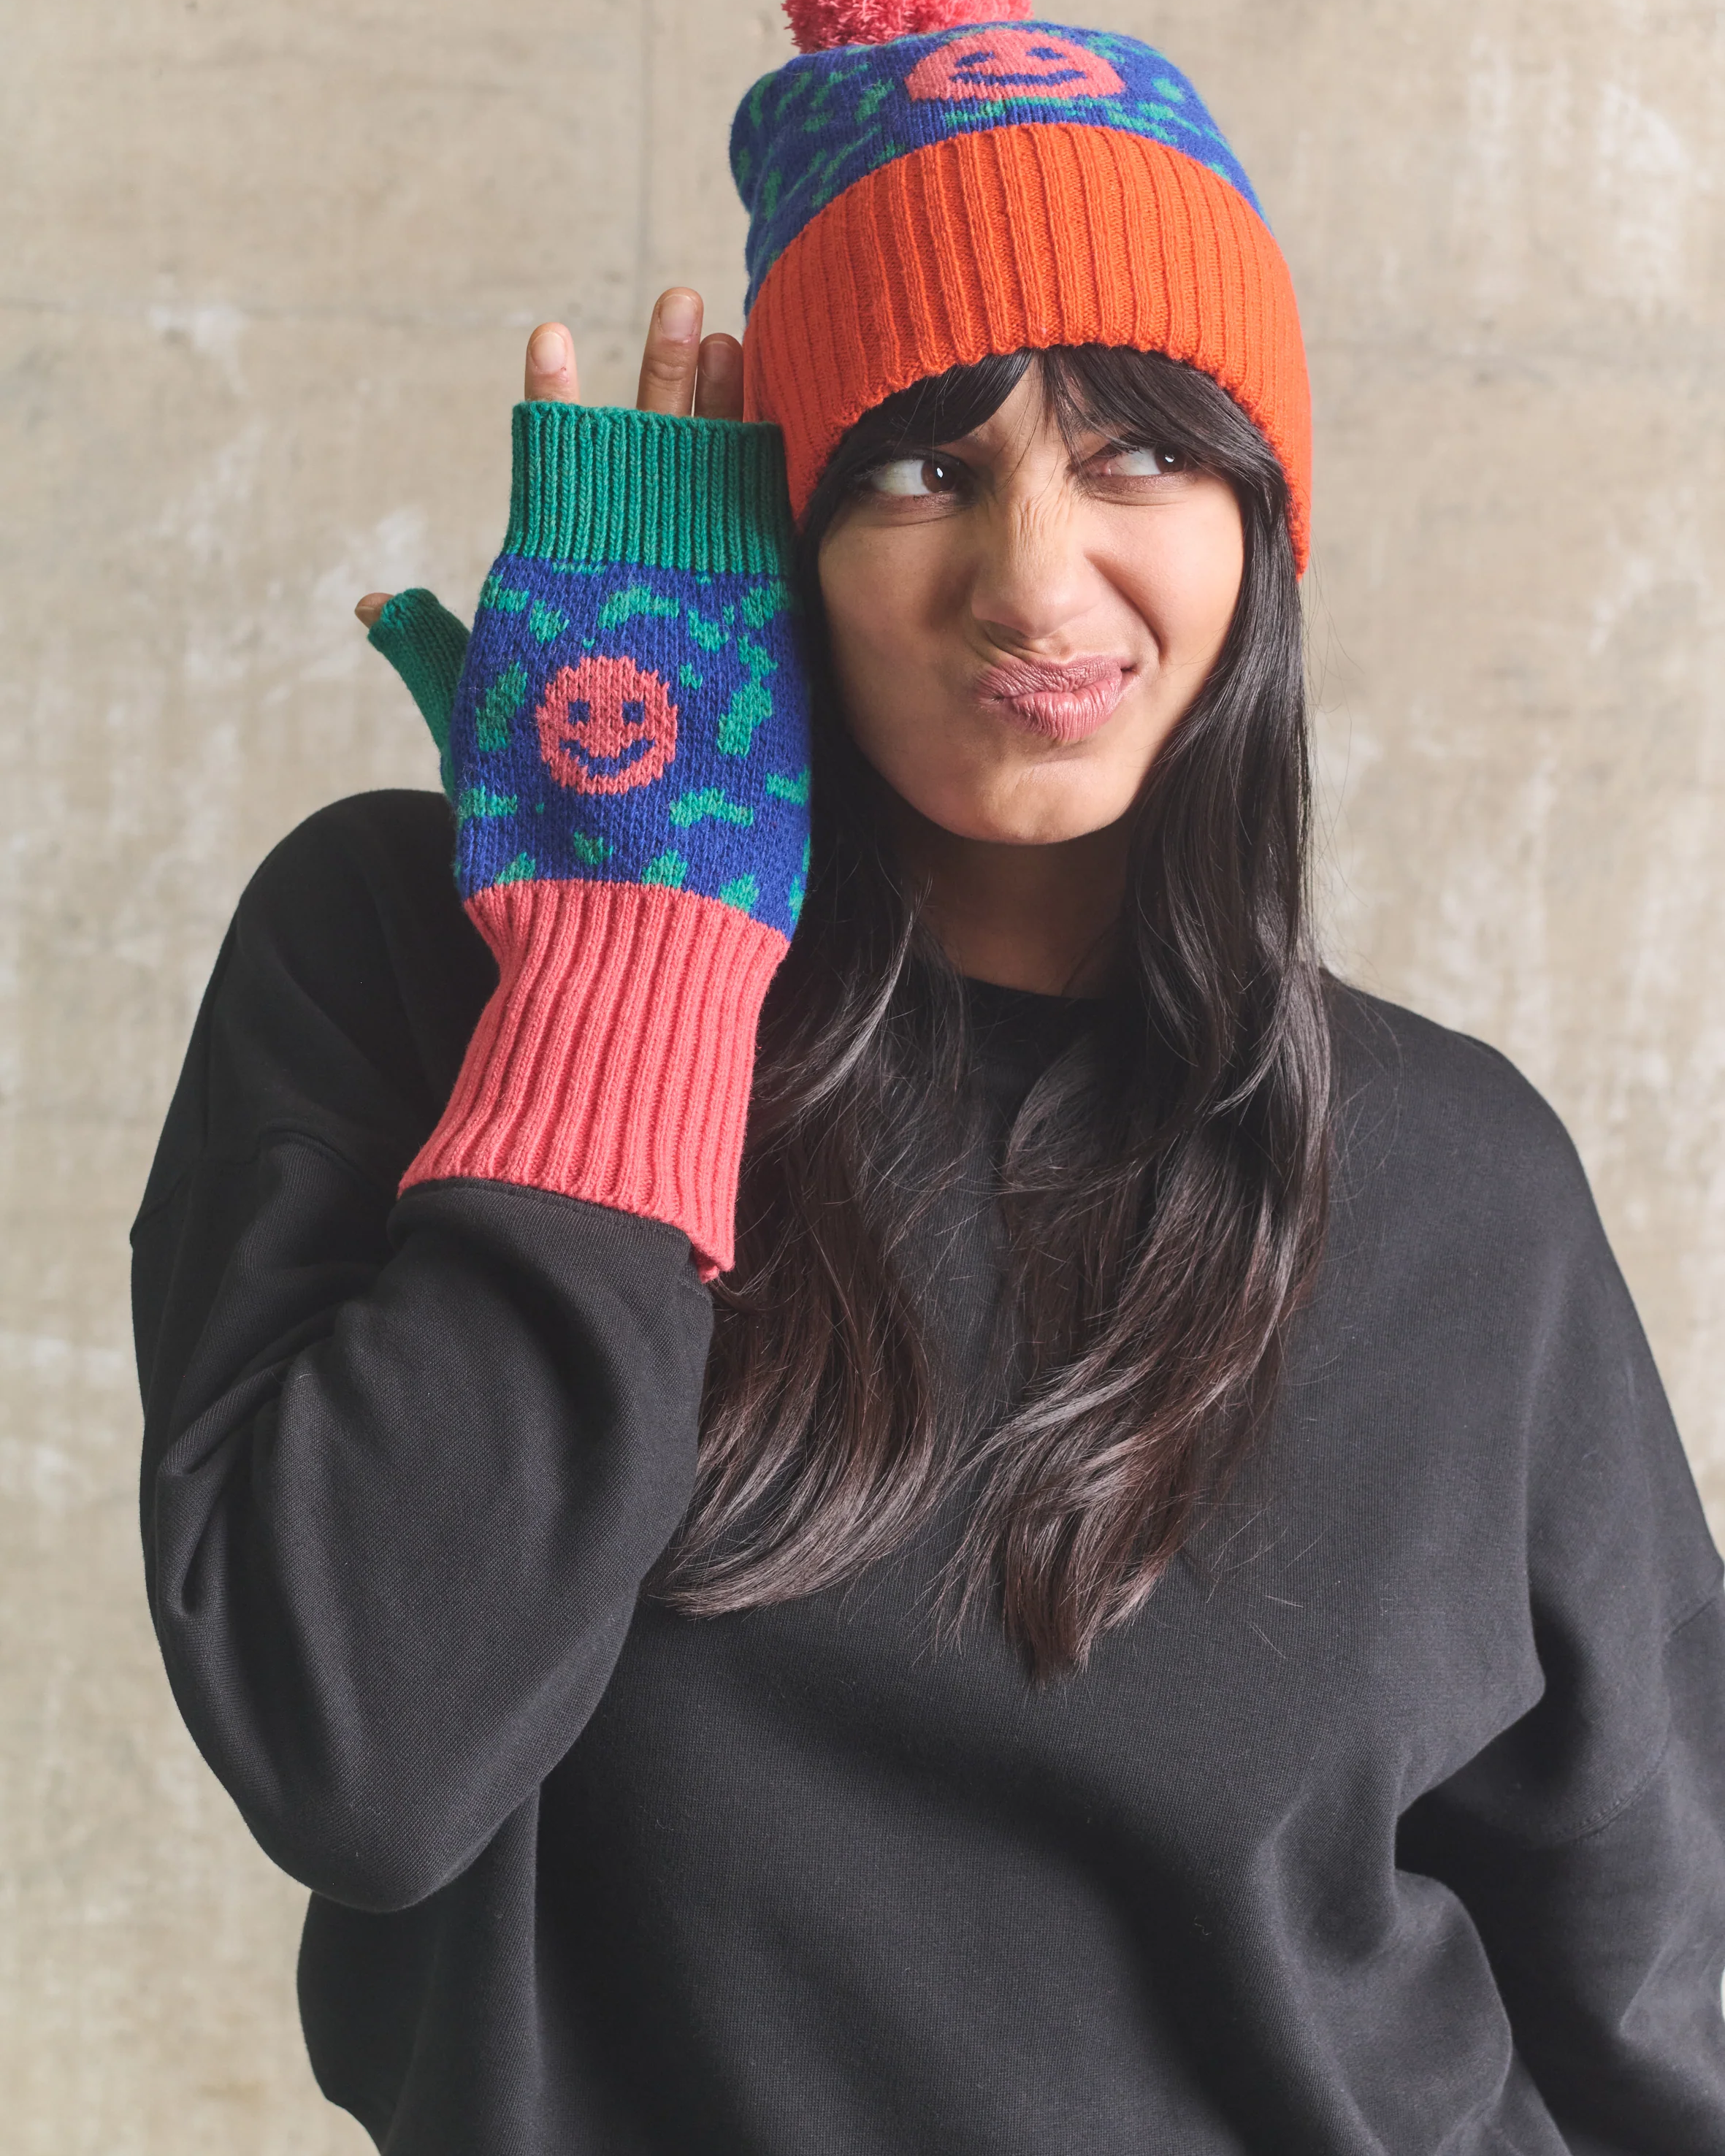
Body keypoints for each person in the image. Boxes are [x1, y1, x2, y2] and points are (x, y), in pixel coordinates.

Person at [131, 4, 1725, 2151]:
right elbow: (370, 1761)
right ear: (780, 534)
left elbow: (1661, 1975)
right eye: (922, 460)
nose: (1034, 575)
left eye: (1140, 447)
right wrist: (632, 951)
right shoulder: (413, 974)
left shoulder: (1456, 1182)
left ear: (1261, 517)